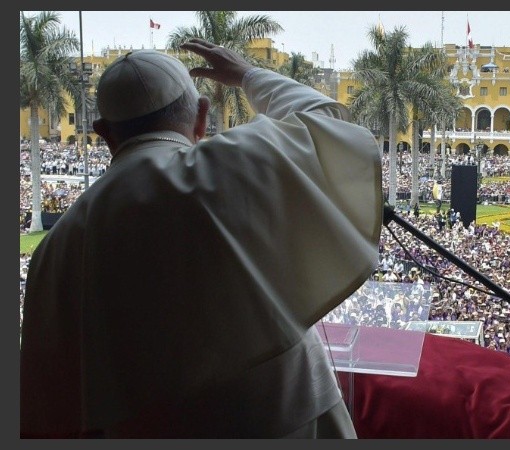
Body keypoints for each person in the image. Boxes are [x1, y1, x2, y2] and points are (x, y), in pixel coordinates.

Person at [20, 39, 382, 438]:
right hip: (283, 419)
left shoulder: (58, 246)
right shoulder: (231, 168)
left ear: (105, 134)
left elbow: (48, 400)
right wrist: (247, 74)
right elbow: (331, 119)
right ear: (201, 118)